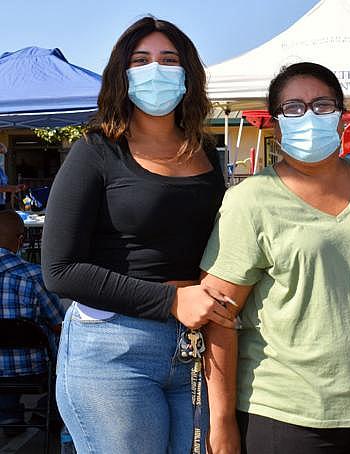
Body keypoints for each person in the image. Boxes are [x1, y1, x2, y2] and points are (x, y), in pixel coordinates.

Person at [41, 17, 232, 454]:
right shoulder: (95, 151)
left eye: (169, 60)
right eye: (141, 60)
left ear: (188, 75)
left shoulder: (205, 151)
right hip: (112, 349)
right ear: (121, 75)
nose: (156, 70)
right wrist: (171, 301)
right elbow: (59, 271)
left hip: (194, 346)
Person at [199, 62, 350, 454]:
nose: (309, 115)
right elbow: (218, 317)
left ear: (343, 119)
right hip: (286, 413)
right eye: (293, 107)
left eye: (322, 105)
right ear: (276, 126)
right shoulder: (250, 201)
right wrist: (222, 423)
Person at [0, 210, 64, 432]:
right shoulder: (34, 275)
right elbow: (59, 325)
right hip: (33, 367)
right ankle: (47, 411)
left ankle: (8, 415)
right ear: (20, 241)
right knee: (67, 349)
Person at [0, 144, 26, 210]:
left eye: (3, 154)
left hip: (2, 202)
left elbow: (4, 186)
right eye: (0, 153)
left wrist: (15, 187)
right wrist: (12, 188)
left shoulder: (1, 170)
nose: (2, 156)